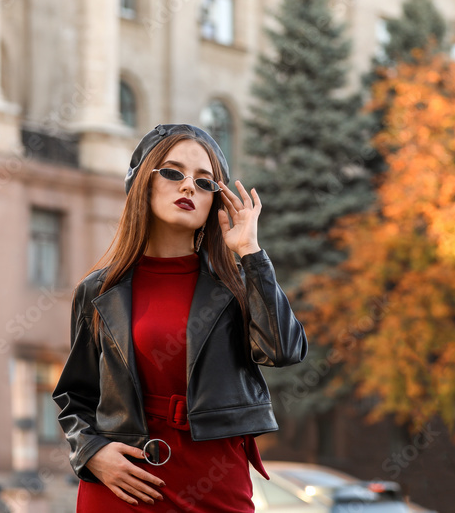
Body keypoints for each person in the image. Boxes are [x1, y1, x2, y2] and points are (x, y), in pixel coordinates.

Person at [52, 123, 308, 512]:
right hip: (124, 482)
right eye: (173, 173)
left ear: (214, 202)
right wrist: (92, 453)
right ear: (143, 184)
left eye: (204, 182)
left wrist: (251, 254)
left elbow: (283, 350)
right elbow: (76, 395)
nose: (188, 186)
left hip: (214, 480)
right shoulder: (98, 291)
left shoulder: (237, 285)